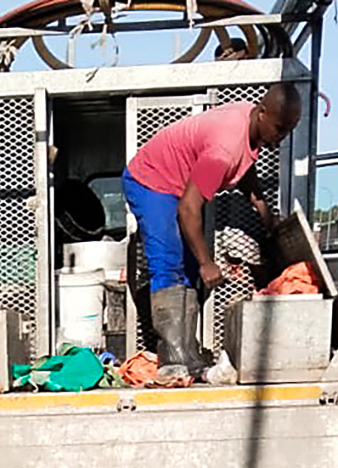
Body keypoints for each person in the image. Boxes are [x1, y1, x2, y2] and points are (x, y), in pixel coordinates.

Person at [123, 83, 303, 372]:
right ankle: (172, 354)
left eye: (289, 130)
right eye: (280, 128)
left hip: (177, 188)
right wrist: (207, 263)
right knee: (168, 261)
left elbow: (245, 169)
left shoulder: (249, 126)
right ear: (262, 113)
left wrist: (264, 213)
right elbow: (188, 209)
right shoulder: (224, 148)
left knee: (189, 267)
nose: (282, 137)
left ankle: (186, 349)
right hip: (151, 181)